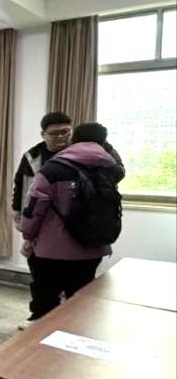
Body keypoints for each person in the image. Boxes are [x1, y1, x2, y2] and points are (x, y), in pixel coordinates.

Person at [19, 123, 125, 328]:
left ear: (72, 139)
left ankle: (40, 340)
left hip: (52, 249)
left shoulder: (53, 169)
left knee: (46, 299)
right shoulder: (110, 169)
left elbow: (34, 208)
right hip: (94, 246)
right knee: (79, 302)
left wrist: (28, 235)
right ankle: (74, 336)